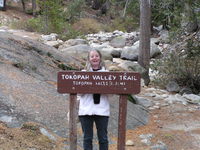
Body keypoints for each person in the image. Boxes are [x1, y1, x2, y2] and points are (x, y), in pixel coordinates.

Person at [78, 50, 110, 150]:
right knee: (87, 138)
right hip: (86, 110)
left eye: (96, 56)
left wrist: (100, 88)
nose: (94, 58)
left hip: (102, 110)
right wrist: (89, 87)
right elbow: (78, 92)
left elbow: (111, 92)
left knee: (103, 138)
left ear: (100, 58)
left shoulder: (106, 73)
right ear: (89, 59)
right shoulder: (83, 73)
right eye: (92, 56)